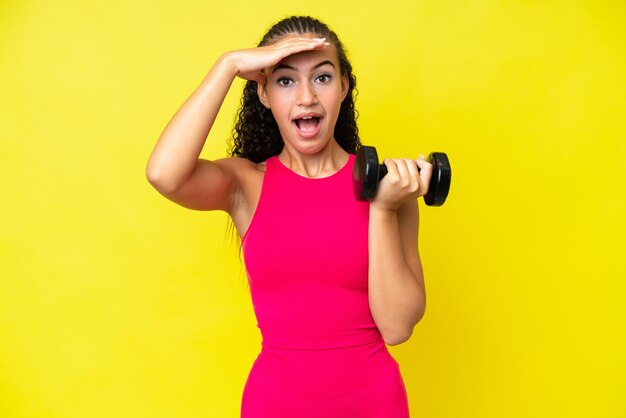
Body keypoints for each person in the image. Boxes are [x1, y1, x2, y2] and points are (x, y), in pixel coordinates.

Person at [146, 15, 430, 418]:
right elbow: (163, 174)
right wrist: (227, 65)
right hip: (275, 404)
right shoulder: (246, 184)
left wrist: (383, 209)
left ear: (344, 87)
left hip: (373, 403)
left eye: (322, 77)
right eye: (284, 80)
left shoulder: (388, 187)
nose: (306, 98)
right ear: (263, 93)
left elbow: (398, 328)